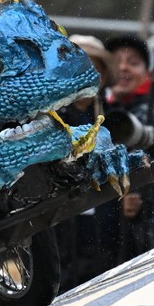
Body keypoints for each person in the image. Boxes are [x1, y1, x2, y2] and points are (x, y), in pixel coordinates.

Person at [55, 35, 119, 292]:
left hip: (104, 216)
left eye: (94, 67)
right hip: (61, 216)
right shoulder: (49, 117)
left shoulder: (116, 117)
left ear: (103, 75)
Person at [103, 34, 154, 265]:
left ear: (147, 70)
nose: (123, 68)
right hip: (107, 236)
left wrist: (143, 199)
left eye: (133, 62)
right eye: (116, 62)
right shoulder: (97, 108)